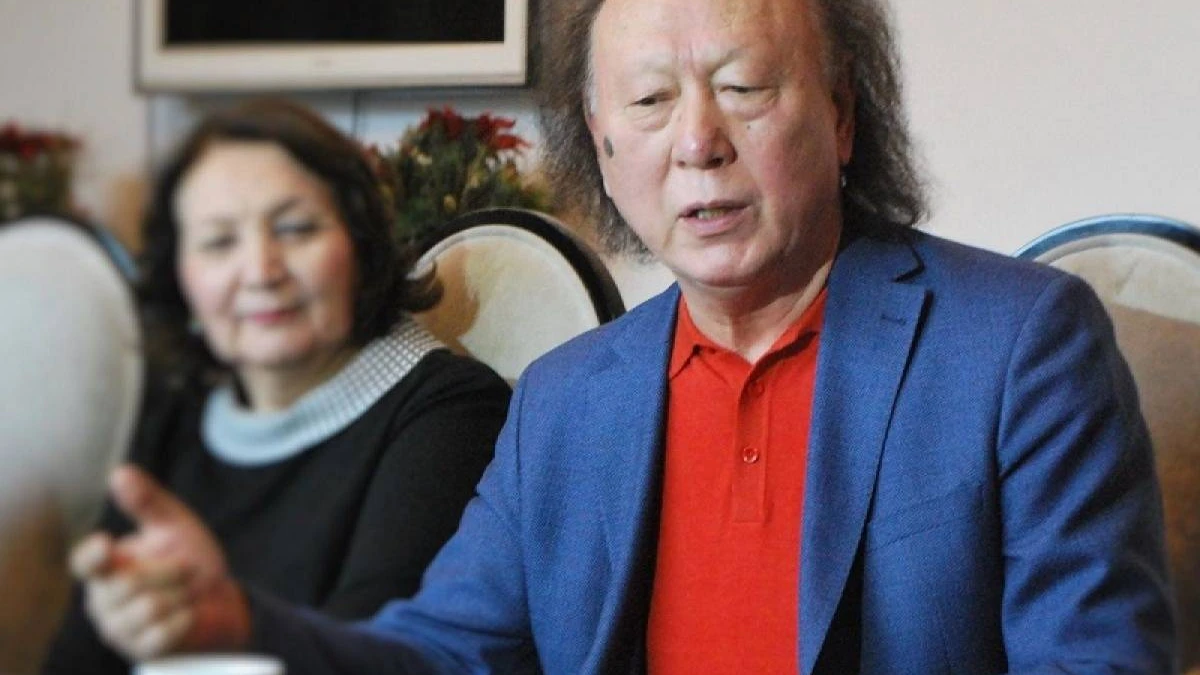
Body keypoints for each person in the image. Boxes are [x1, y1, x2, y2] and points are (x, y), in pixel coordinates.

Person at [68, 0, 1178, 672]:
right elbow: (442, 654)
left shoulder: (1018, 344)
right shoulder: (565, 399)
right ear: (601, 147)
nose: (697, 141)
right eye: (647, 103)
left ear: (842, 114)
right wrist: (240, 624)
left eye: (744, 87)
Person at [41, 99, 511, 673]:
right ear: (180, 276)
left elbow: (377, 661)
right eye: (219, 242)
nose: (262, 271)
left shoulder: (451, 414)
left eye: (296, 229)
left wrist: (227, 624)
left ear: (362, 244)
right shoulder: (176, 413)